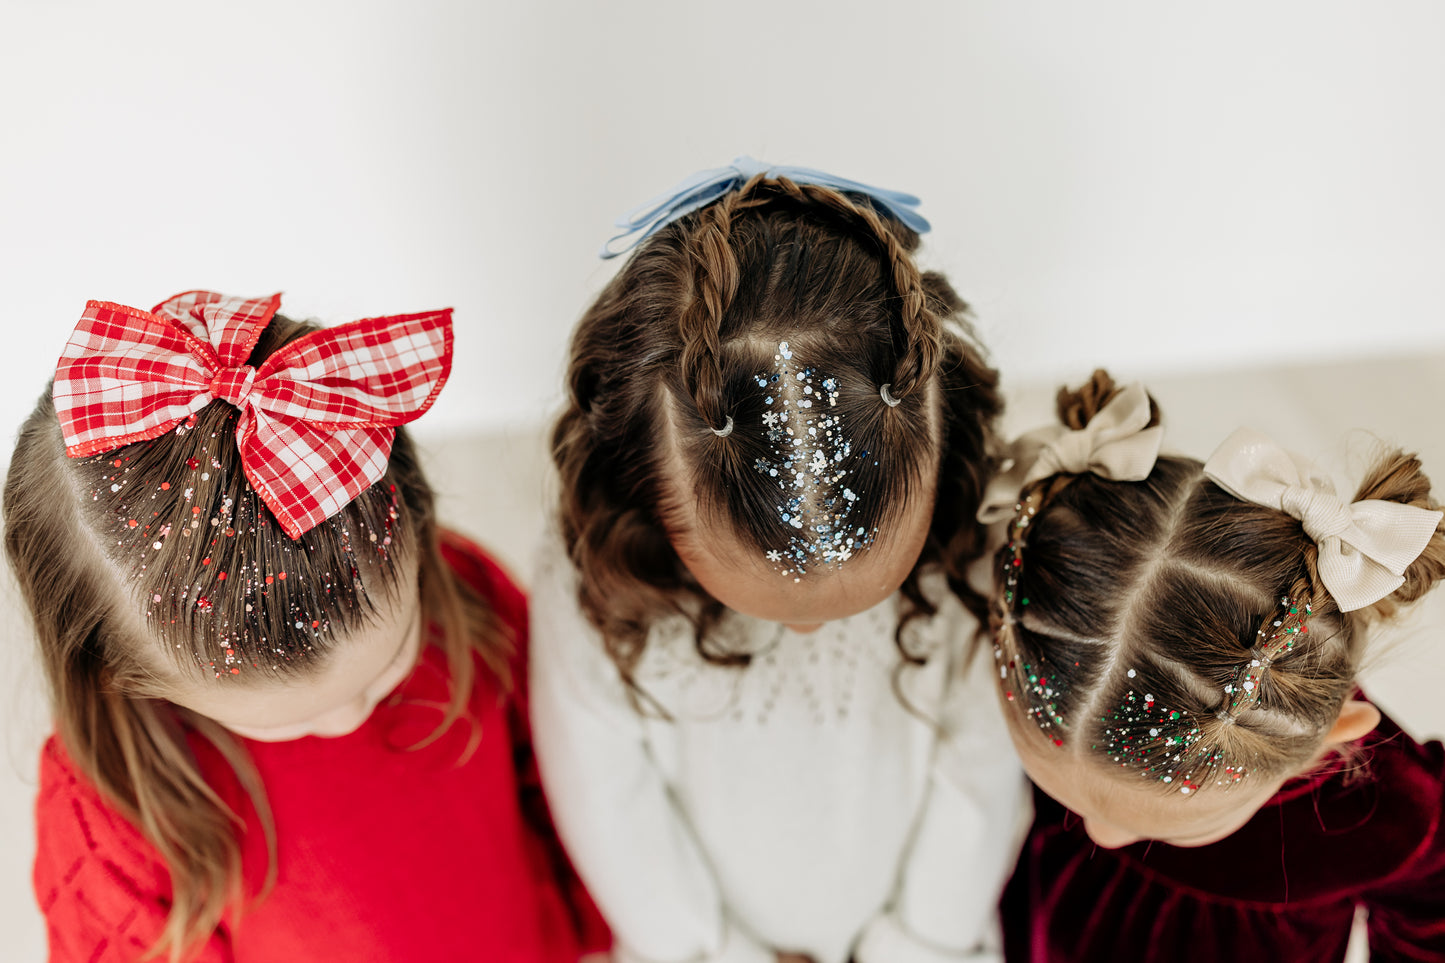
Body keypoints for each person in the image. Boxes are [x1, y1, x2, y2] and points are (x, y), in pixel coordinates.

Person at [5, 291, 606, 962]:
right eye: (289, 720)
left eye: (389, 665)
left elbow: (561, 783)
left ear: (417, 523)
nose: (350, 717)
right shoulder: (111, 818)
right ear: (121, 674)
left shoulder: (467, 594)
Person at [531, 158, 1026, 963]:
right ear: (639, 490)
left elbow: (980, 767)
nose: (804, 632)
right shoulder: (594, 577)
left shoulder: (969, 537)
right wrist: (712, 950)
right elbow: (605, 799)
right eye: (765, 603)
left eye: (866, 597)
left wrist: (916, 944)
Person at [980, 370, 1445, 963]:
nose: (1102, 837)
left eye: (1176, 830)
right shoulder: (1074, 679)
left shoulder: (1383, 816)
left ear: (1336, 744)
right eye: (1065, 800)